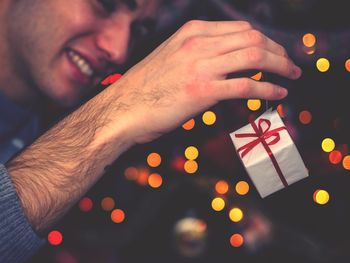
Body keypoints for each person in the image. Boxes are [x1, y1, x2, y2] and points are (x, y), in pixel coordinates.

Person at [0, 0, 302, 262]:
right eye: (104, 4)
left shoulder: (39, 127)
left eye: (139, 30)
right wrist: (120, 107)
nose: (118, 50)